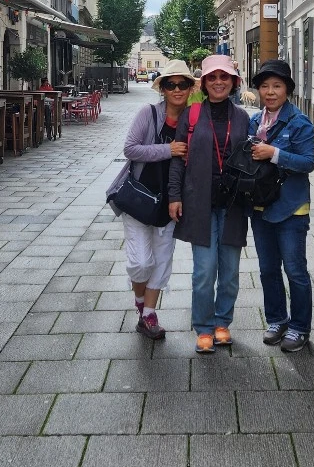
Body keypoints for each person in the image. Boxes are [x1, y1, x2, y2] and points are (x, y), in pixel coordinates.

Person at [106, 60, 194, 339]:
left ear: (190, 88)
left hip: (171, 203)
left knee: (162, 259)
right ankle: (140, 301)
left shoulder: (193, 120)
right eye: (171, 84)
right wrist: (168, 149)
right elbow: (130, 149)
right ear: (163, 89)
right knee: (141, 262)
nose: (177, 89)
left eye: (182, 84)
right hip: (139, 199)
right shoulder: (149, 113)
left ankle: (149, 315)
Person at [168, 54, 250, 354]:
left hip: (233, 205)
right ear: (203, 83)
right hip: (199, 203)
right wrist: (174, 196)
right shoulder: (191, 115)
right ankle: (203, 326)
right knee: (204, 270)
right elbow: (178, 159)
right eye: (212, 77)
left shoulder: (242, 117)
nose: (218, 82)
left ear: (233, 82)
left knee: (230, 272)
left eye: (224, 77)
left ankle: (222, 322)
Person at [248, 60, 314, 353]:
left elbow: (308, 162)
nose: (270, 92)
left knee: (295, 271)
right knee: (267, 269)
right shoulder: (254, 121)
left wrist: (274, 153)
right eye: (265, 86)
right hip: (260, 208)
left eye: (277, 86)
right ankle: (277, 320)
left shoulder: (300, 122)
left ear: (287, 89)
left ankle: (300, 327)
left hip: (291, 209)